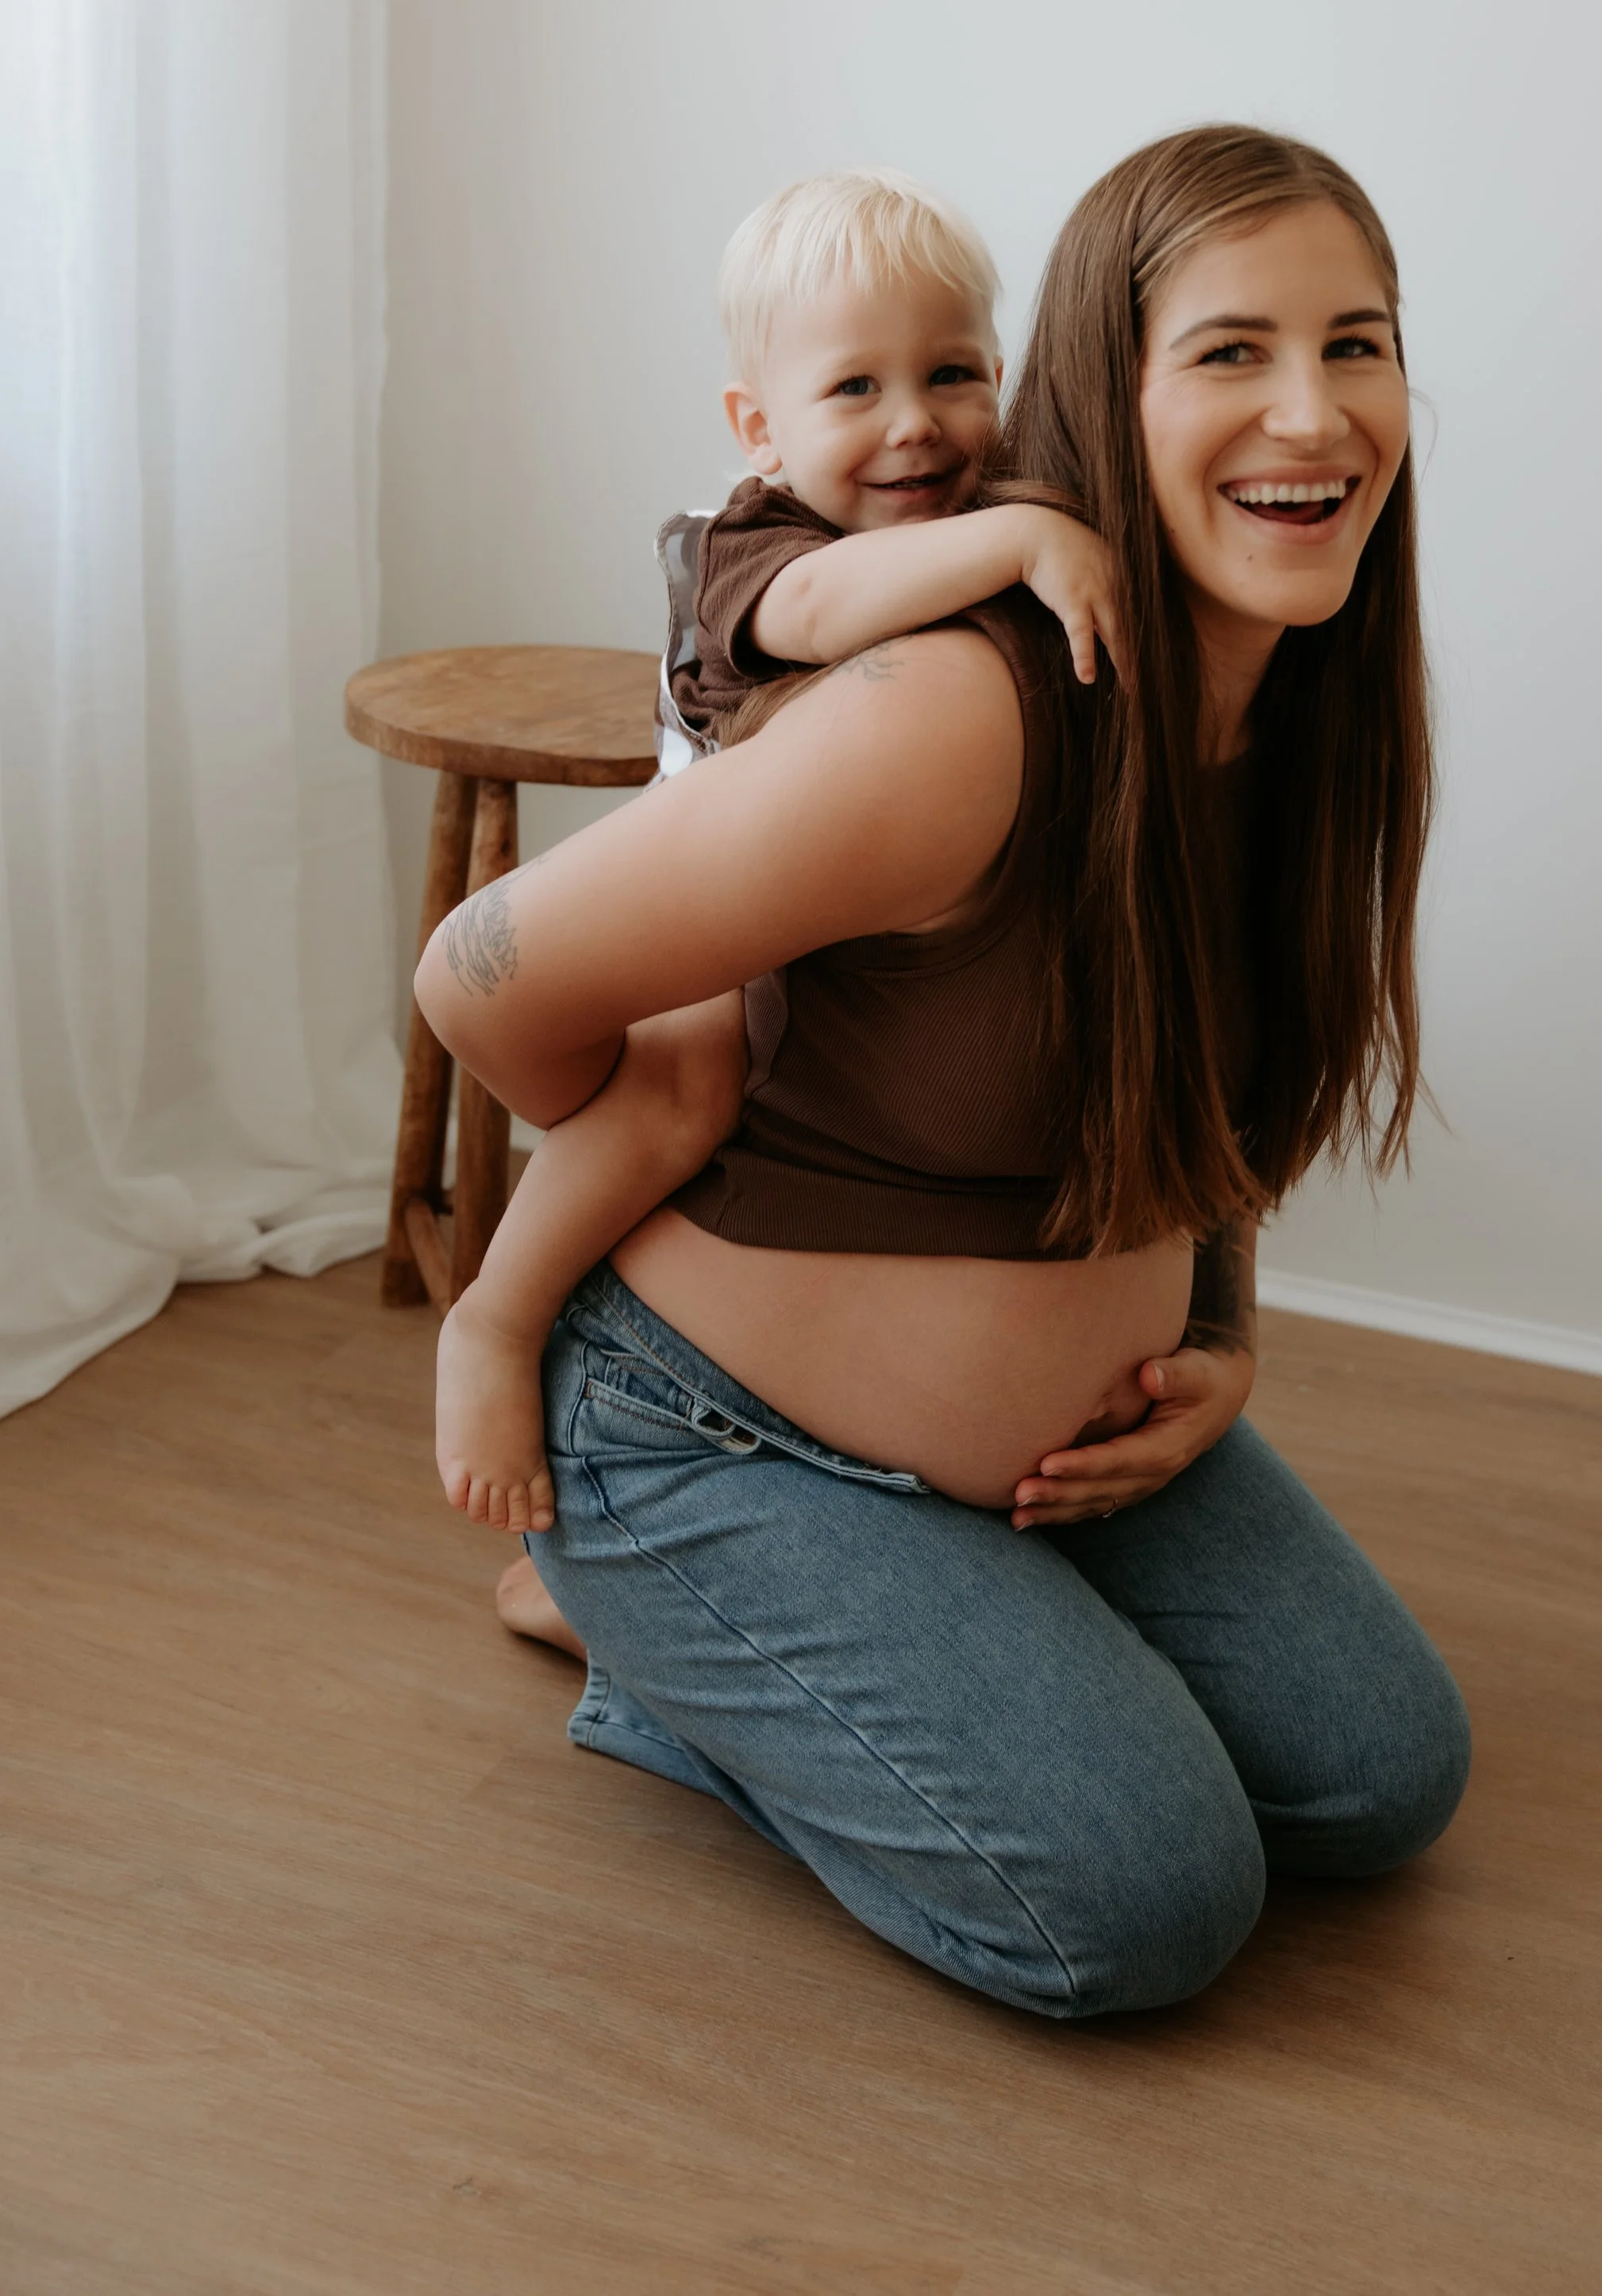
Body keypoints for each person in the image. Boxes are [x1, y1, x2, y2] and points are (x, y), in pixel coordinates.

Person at [416, 124, 1470, 2020]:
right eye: (1229, 352)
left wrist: (1217, 1333)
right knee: (1144, 1908)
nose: (1309, 414)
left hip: (1045, 1467)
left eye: (1357, 342)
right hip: (709, 1426)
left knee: (1379, 1783)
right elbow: (475, 975)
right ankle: (648, 1606)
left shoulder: (1302, 721)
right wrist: (648, 1112)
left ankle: (884, 1630)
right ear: (1099, 390)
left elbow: (1205, 1103)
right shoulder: (951, 712)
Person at [434, 167, 1119, 1536]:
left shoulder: (961, 524)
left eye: (952, 373)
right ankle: (496, 1325)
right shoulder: (754, 542)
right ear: (760, 428)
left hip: (838, 882)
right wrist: (1030, 534)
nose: (915, 425)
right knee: (672, 1102)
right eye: (854, 391)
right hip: (710, 873)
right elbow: (823, 610)